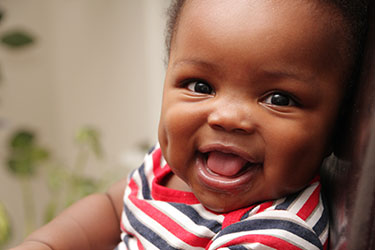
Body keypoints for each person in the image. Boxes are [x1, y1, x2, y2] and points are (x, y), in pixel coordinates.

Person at [12, 0, 368, 249]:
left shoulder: (276, 232)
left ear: (337, 129)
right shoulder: (164, 165)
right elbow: (111, 206)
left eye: (278, 99)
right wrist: (45, 243)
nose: (226, 117)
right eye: (201, 86)